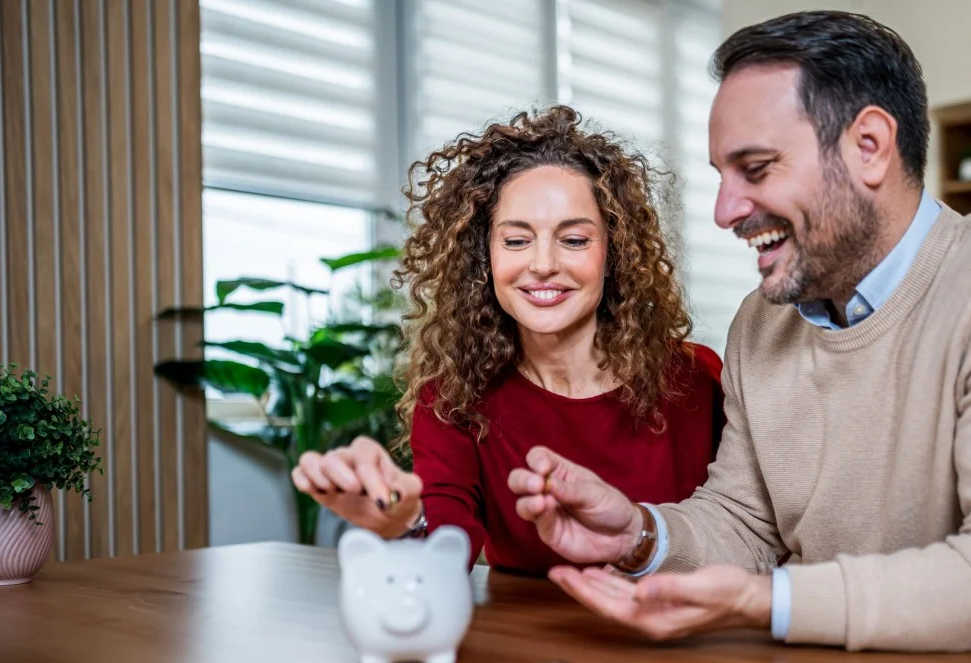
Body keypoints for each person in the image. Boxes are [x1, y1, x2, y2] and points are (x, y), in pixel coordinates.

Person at [507, 11, 971, 652]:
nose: (725, 210)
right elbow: (744, 523)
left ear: (868, 147)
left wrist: (765, 601)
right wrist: (641, 536)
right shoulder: (761, 324)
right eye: (722, 175)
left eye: (755, 168)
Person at [290, 105, 725, 576]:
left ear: (614, 253)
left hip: (682, 636)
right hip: (528, 646)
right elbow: (447, 540)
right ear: (485, 258)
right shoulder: (453, 398)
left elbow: (745, 532)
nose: (542, 264)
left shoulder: (697, 380)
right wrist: (404, 520)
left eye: (574, 240)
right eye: (516, 241)